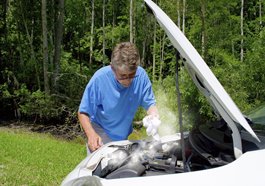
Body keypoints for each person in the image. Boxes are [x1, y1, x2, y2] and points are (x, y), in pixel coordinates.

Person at [78, 42, 160, 154]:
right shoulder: (99, 79)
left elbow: (150, 104)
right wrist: (91, 134)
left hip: (123, 136)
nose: (128, 80)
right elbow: (83, 112)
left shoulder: (141, 76)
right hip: (101, 133)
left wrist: (153, 116)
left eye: (132, 75)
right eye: (123, 76)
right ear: (112, 67)